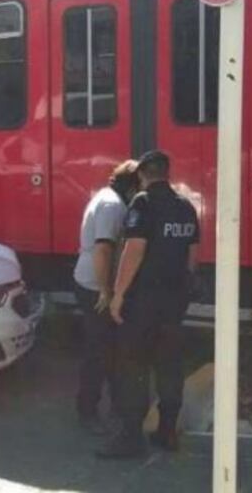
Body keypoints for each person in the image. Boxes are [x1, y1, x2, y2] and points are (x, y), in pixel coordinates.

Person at [98, 150, 200, 459]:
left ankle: (131, 437)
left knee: (134, 366)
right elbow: (191, 256)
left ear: (142, 174)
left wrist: (118, 294)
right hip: (174, 300)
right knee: (169, 365)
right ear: (167, 173)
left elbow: (134, 250)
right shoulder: (186, 207)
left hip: (144, 301)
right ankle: (167, 432)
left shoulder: (143, 203)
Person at [72, 160, 138, 434]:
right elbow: (103, 249)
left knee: (105, 348)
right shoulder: (113, 206)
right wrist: (105, 290)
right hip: (94, 285)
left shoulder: (106, 197)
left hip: (90, 280)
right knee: (98, 351)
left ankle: (112, 406)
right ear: (132, 186)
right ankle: (87, 410)